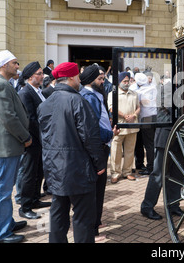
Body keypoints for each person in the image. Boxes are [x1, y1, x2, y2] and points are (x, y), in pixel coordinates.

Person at [37, 62, 107, 243]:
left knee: (58, 213)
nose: (79, 80)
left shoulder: (45, 104)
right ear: (70, 78)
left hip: (55, 167)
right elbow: (90, 137)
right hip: (78, 169)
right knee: (83, 217)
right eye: (77, 76)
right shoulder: (78, 101)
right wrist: (99, 163)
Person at [0, 50, 31, 243]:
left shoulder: (3, 84)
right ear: (3, 65)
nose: (18, 66)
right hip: (6, 147)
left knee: (4, 189)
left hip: (8, 147)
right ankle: (1, 234)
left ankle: (6, 222)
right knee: (2, 191)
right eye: (14, 63)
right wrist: (25, 137)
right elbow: (8, 117)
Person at [79, 64, 118, 240]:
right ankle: (93, 227)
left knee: (99, 189)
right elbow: (92, 127)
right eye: (100, 78)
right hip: (98, 147)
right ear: (91, 80)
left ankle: (96, 221)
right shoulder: (88, 96)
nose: (103, 81)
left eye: (103, 78)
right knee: (96, 190)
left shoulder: (95, 94)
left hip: (102, 145)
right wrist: (110, 133)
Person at [140, 77, 182, 220]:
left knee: (177, 174)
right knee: (158, 174)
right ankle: (147, 206)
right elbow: (171, 107)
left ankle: (173, 205)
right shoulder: (165, 89)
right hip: (165, 136)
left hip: (180, 137)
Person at [18, 62, 51, 221]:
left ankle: (35, 199)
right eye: (39, 73)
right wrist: (44, 135)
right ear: (31, 76)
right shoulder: (26, 93)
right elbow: (30, 119)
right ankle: (25, 207)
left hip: (40, 139)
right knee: (29, 174)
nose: (42, 75)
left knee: (39, 171)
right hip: (33, 140)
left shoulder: (38, 91)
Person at [107, 72, 140, 183]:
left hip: (132, 126)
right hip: (119, 127)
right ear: (119, 82)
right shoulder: (113, 94)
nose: (126, 83)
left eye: (128, 81)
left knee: (130, 151)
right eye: (124, 81)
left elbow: (139, 107)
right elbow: (111, 108)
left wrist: (134, 115)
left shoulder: (134, 94)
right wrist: (124, 116)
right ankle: (115, 173)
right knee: (116, 151)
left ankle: (127, 172)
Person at [135, 72, 157, 175]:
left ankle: (150, 167)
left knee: (149, 145)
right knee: (154, 143)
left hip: (146, 118)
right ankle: (155, 165)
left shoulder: (139, 92)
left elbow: (138, 105)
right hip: (155, 117)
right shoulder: (153, 88)